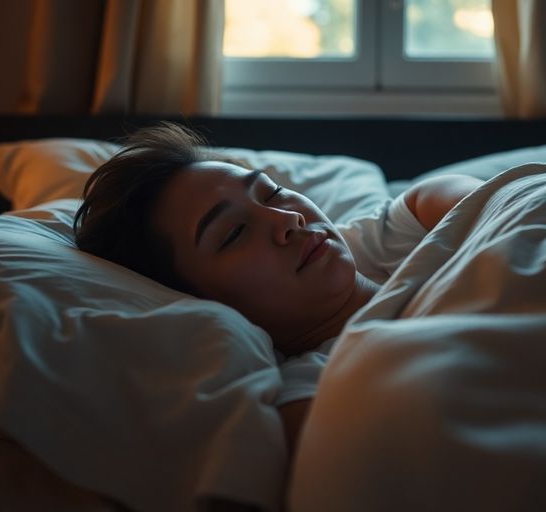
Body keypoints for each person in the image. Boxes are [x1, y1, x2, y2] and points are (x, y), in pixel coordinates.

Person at [73, 122, 481, 454]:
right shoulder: (317, 395)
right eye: (234, 233)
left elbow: (520, 207)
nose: (286, 221)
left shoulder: (408, 228)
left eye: (273, 193)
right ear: (196, 297)